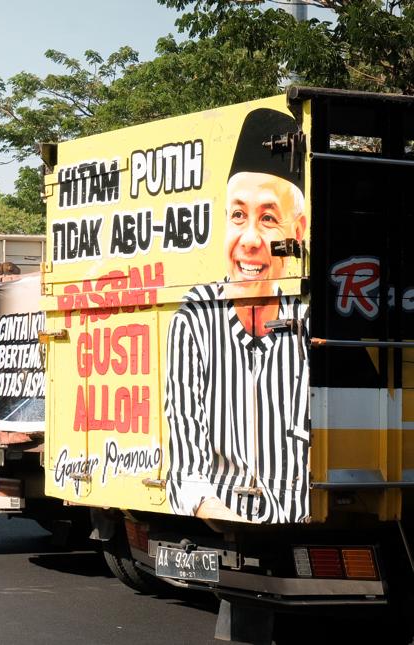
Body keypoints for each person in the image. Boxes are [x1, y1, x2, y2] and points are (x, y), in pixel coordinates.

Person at [164, 107, 311, 524]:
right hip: (222, 519)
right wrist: (234, 527)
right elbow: (188, 471)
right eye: (238, 215)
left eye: (268, 219)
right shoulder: (196, 318)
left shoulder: (311, 325)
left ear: (296, 234)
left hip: (296, 521)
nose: (249, 240)